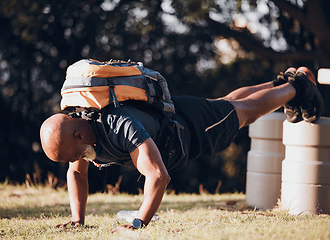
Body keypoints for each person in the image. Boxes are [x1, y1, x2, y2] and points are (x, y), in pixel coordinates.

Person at [40, 64, 323, 232]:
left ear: (78, 134)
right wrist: (78, 219)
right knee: (228, 104)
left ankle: (298, 88)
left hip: (191, 128)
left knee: (244, 113)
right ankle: (283, 82)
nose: (77, 160)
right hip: (180, 114)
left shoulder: (119, 126)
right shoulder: (83, 127)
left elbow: (158, 176)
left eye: (75, 154)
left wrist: (140, 222)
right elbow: (76, 174)